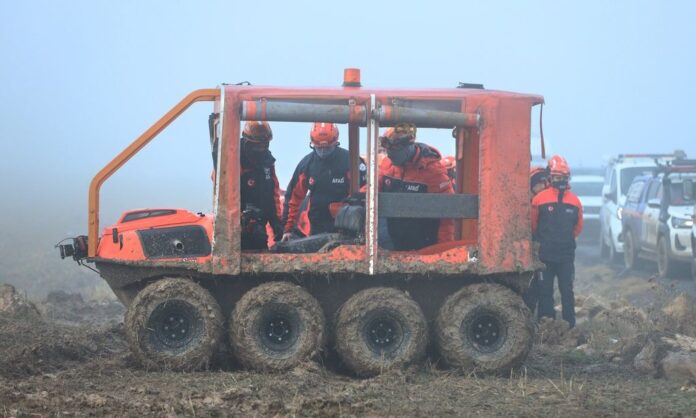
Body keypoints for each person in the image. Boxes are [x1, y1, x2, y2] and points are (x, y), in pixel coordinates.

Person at [281, 122, 365, 241]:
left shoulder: (349, 161)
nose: (323, 151)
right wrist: (288, 229)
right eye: (319, 148)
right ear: (313, 144)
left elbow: (366, 189)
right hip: (317, 226)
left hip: (346, 226)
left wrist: (349, 207)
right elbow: (294, 198)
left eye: (327, 148)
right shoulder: (306, 165)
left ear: (335, 142)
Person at [378, 123, 455, 250]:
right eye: (388, 149)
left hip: (423, 248)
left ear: (410, 145)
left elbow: (448, 215)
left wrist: (443, 250)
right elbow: (371, 189)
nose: (390, 154)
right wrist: (356, 202)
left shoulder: (434, 173)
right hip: (392, 245)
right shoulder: (388, 165)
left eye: (396, 149)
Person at [532, 155, 583, 327]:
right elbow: (533, 225)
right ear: (550, 177)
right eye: (556, 177)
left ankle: (569, 327)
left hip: (565, 257)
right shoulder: (539, 199)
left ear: (568, 177)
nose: (559, 180)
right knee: (545, 291)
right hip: (545, 256)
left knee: (566, 292)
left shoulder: (575, 201)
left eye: (562, 177)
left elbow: (578, 227)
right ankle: (546, 326)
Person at [239, 121, 283, 250]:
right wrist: (240, 216)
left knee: (261, 246)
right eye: (257, 146)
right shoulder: (234, 157)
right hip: (236, 225)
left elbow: (273, 191)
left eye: (264, 145)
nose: (261, 149)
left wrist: (276, 221)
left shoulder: (268, 162)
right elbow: (223, 191)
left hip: (259, 223)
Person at [523, 166, 549, 314]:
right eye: (539, 183)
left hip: (538, 249)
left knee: (538, 287)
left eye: (544, 183)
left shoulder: (542, 202)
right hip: (525, 250)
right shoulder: (522, 202)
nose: (543, 186)